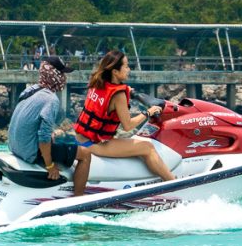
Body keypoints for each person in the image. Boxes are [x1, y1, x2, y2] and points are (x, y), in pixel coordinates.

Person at [74, 50, 176, 182]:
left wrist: (129, 90)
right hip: (94, 144)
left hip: (80, 138)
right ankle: (173, 183)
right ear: (115, 71)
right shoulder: (118, 95)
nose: (129, 69)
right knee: (148, 148)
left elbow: (107, 94)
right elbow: (127, 126)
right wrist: (148, 112)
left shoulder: (97, 82)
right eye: (126, 66)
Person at [8, 56, 92, 197]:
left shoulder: (30, 91)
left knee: (59, 140)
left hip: (15, 147)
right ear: (55, 75)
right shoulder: (51, 99)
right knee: (85, 154)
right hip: (30, 152)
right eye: (62, 74)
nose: (64, 78)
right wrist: (50, 165)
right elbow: (44, 135)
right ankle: (78, 198)